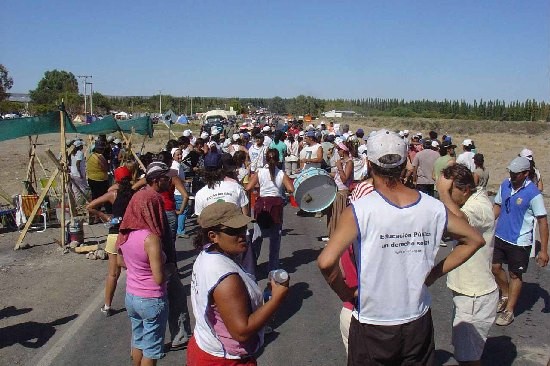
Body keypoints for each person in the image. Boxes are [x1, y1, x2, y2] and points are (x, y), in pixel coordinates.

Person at [317, 129, 485, 365]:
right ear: (405, 160)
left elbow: (326, 262)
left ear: (369, 162)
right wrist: (433, 274)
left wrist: (346, 294)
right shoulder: (432, 207)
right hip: (417, 320)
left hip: (373, 320)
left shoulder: (360, 209)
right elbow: (475, 240)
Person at [187, 202, 289, 365]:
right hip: (224, 360)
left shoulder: (206, 254)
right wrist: (277, 298)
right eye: (234, 231)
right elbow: (241, 332)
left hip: (204, 346)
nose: (243, 234)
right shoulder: (226, 277)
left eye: (243, 227)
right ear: (213, 236)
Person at [437, 164, 497, 365]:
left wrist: (442, 193)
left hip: (475, 295)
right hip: (469, 293)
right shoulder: (470, 199)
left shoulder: (479, 207)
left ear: (465, 190)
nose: (449, 198)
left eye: (451, 192)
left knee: (468, 359)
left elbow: (460, 220)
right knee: (465, 352)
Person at [116, 171, 172, 365]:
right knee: (152, 348)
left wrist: (137, 268)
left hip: (132, 295)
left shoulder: (125, 234)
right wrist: (168, 272)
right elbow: (158, 277)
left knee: (138, 341)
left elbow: (120, 262)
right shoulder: (151, 239)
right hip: (151, 298)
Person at [492, 156, 549, 326]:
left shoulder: (533, 193)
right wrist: (485, 225)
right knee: (494, 268)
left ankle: (509, 310)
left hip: (520, 242)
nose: (512, 176)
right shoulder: (505, 184)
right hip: (500, 235)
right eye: (510, 172)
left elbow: (542, 222)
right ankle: (505, 293)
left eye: (516, 174)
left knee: (515, 274)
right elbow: (497, 206)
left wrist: (544, 250)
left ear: (525, 173)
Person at [86, 166, 135, 316]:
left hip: (115, 235)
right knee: (134, 270)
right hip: (131, 235)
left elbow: (90, 206)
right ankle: (135, 302)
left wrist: (104, 215)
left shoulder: (113, 194)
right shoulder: (135, 194)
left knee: (113, 274)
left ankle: (107, 306)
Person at [245, 149, 294, 275]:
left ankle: (252, 263)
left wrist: (259, 188)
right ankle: (273, 267)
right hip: (276, 207)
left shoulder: (260, 172)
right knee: (275, 238)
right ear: (278, 160)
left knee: (258, 235)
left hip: (262, 206)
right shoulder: (281, 173)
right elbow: (290, 189)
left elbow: (248, 187)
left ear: (266, 159)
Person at [194, 151, 249, 216]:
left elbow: (201, 220)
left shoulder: (200, 194)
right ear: (223, 169)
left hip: (213, 225)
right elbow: (245, 215)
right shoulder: (236, 187)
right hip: (235, 224)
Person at [327, 141, 353, 238]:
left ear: (343, 150)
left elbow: (344, 178)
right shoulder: (343, 162)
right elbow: (338, 176)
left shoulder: (349, 162)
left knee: (338, 215)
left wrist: (339, 167)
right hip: (336, 190)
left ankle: (337, 238)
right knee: (333, 215)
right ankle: (332, 236)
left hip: (342, 192)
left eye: (338, 149)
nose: (337, 151)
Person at [86, 139, 111, 219]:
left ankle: (94, 216)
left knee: (95, 197)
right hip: (100, 180)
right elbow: (105, 168)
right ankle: (107, 214)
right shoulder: (100, 157)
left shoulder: (90, 155)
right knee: (104, 198)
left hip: (91, 178)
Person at [69, 140, 88, 204]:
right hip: (78, 173)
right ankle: (82, 202)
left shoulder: (72, 153)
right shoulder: (80, 153)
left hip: (73, 173)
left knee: (75, 189)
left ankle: (77, 202)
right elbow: (78, 163)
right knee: (83, 188)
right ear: (80, 146)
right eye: (81, 145)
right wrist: (80, 173)